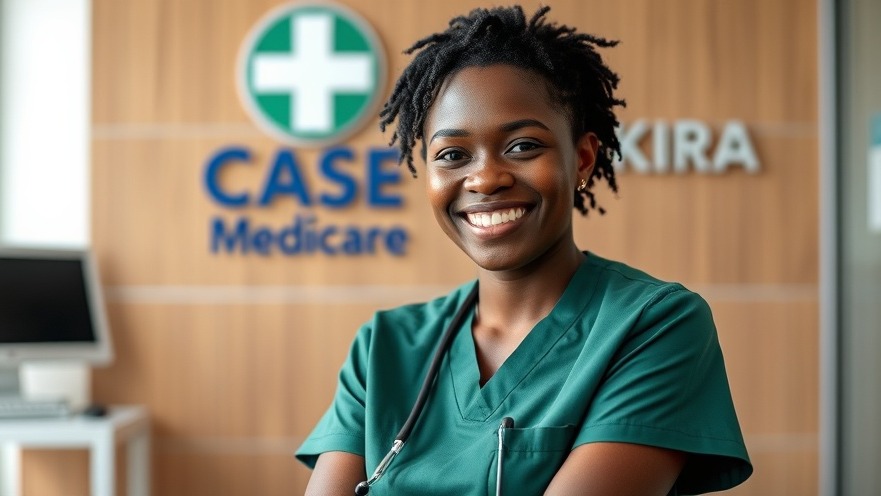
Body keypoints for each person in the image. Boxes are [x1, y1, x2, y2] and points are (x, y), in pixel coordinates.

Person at [296, 5, 752, 495]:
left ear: (581, 158)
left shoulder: (654, 325)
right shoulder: (384, 348)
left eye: (523, 146)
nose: (486, 178)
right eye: (452, 154)